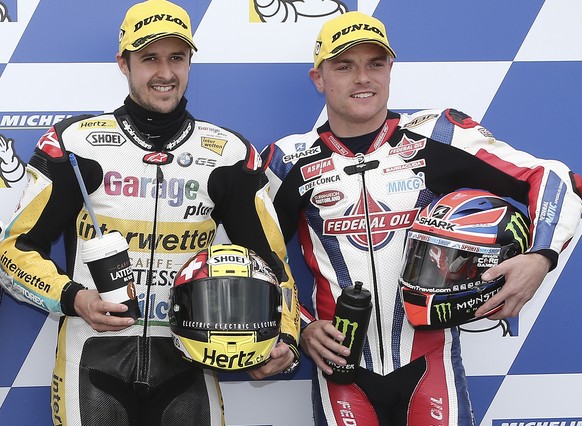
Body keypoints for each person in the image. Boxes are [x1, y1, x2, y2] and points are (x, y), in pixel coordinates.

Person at [261, 11, 582, 426]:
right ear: (319, 78)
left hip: (431, 364)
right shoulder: (287, 161)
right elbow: (252, 260)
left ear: (391, 69)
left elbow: (556, 178)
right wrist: (301, 327)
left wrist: (541, 257)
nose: (363, 78)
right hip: (340, 369)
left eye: (375, 64)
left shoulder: (439, 134)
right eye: (345, 66)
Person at [0, 1, 300, 425]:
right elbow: (14, 251)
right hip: (91, 354)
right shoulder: (74, 143)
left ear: (190, 62)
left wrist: (285, 335)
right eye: (149, 58)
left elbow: (273, 264)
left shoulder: (230, 154)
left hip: (192, 356)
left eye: (177, 58)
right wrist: (74, 298)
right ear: (123, 63)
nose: (165, 73)